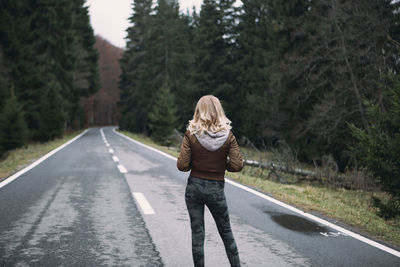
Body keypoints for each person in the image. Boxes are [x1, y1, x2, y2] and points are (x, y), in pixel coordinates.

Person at [177, 95, 243, 267]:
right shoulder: (228, 136)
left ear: (199, 111)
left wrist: (196, 163)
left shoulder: (190, 134)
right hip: (216, 191)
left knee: (197, 235)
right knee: (226, 233)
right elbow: (236, 165)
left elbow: (182, 165)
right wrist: (222, 166)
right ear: (219, 111)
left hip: (194, 189)